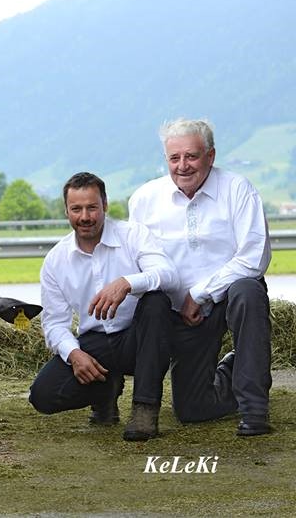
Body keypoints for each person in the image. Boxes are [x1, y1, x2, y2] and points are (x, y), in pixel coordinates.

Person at [129, 118, 273, 436]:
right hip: (181, 311)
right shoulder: (144, 200)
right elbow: (140, 262)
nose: (183, 166)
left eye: (192, 156)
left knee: (248, 291)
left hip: (227, 298)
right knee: (193, 410)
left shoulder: (238, 189)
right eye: (174, 158)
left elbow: (254, 258)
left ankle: (254, 410)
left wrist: (202, 292)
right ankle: (235, 368)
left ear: (211, 155)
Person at [29, 172, 179, 441]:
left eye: (92, 207)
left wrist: (127, 283)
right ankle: (106, 390)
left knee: (157, 301)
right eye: (76, 209)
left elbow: (169, 275)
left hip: (138, 339)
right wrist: (74, 355)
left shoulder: (133, 235)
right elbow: (53, 324)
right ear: (66, 211)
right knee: (43, 395)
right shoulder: (55, 260)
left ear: (105, 205)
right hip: (95, 342)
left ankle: (145, 409)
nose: (85, 216)